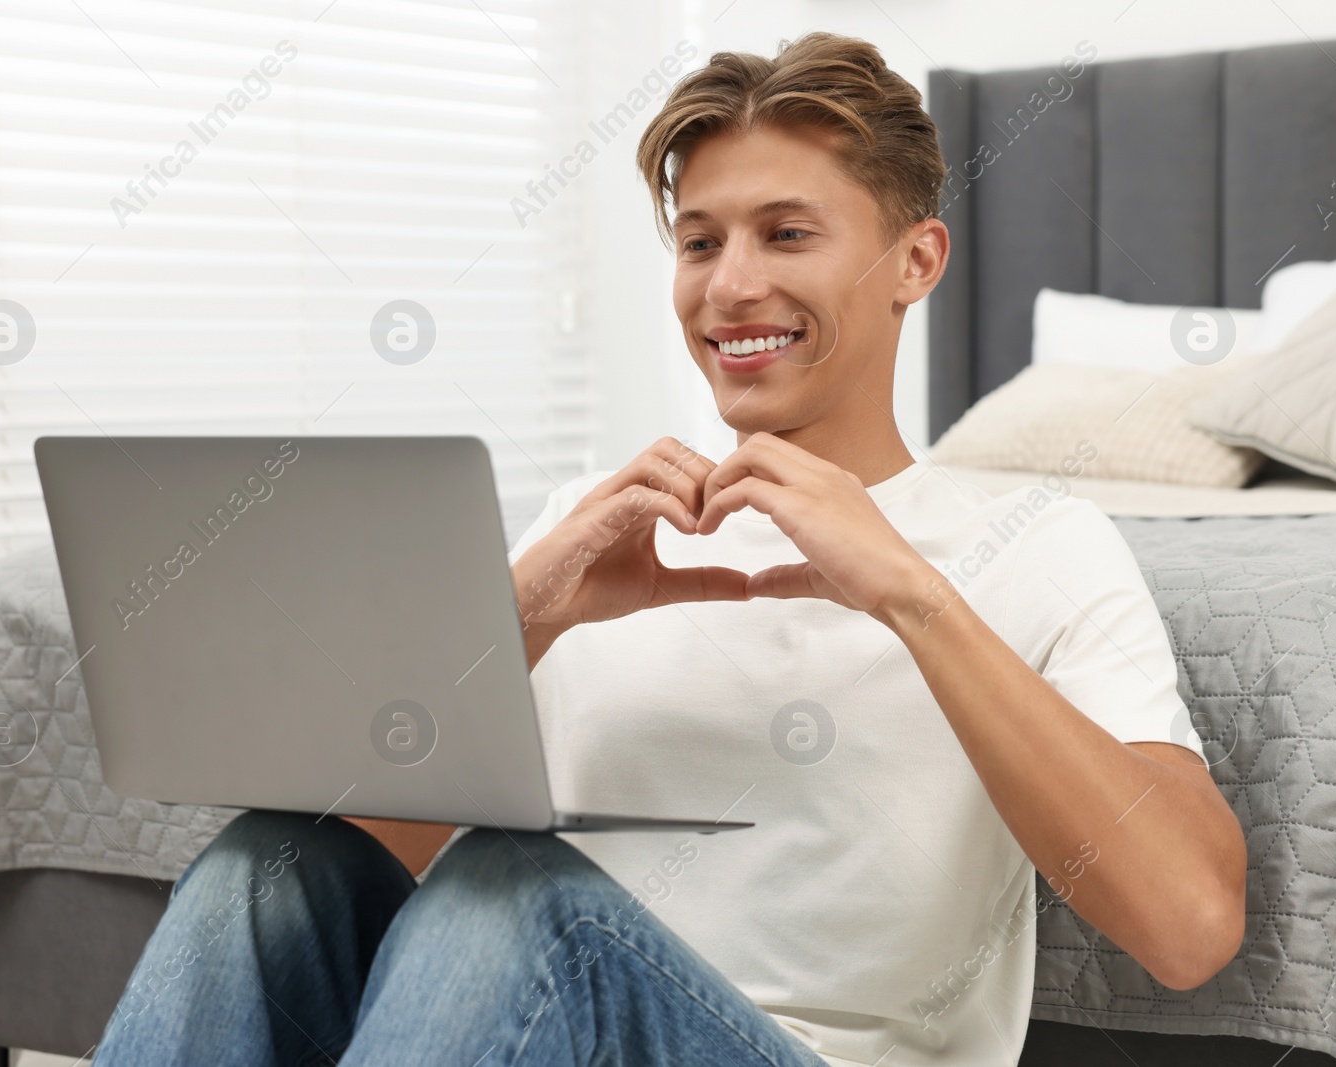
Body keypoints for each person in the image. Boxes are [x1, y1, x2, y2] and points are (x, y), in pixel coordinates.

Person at [92, 31, 1247, 1067]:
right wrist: (529, 611)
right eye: (700, 242)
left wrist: (907, 590)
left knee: (523, 898)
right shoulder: (588, 527)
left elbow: (1189, 926)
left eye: (787, 233)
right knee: (266, 869)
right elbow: (372, 852)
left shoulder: (1040, 544)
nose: (732, 284)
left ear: (916, 261)